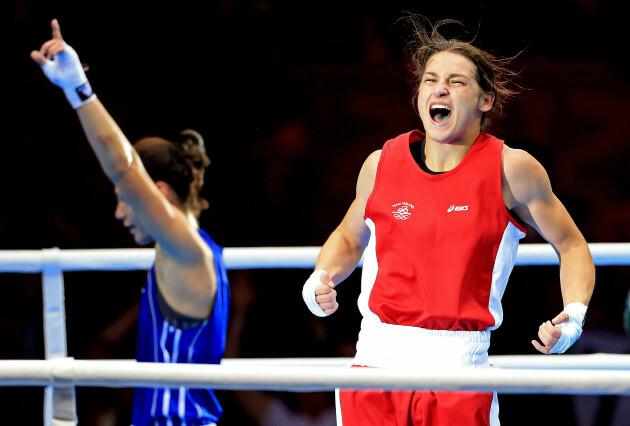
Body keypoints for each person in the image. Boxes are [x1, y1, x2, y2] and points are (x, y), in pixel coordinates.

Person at [301, 16, 595, 426]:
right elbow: (350, 238)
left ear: (485, 100)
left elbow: (572, 244)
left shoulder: (512, 169)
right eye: (430, 80)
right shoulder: (381, 163)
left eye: (456, 82)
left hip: (459, 366)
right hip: (374, 363)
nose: (440, 88)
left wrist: (575, 315)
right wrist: (319, 277)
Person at [31, 19, 230, 425]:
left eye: (125, 200)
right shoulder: (187, 252)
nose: (120, 212)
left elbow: (121, 166)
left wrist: (78, 92)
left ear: (157, 194)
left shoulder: (188, 251)